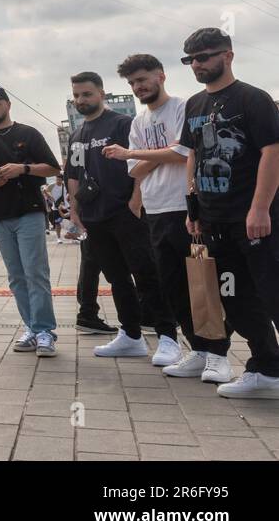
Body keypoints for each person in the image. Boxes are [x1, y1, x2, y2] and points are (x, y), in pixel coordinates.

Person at [102, 53, 232, 383]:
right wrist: (159, 155)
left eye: (142, 79)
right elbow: (138, 170)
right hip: (156, 210)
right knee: (173, 287)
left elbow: (184, 152)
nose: (138, 87)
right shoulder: (138, 122)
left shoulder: (184, 107)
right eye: (132, 83)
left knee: (202, 283)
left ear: (161, 76)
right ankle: (197, 349)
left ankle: (218, 354)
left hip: (187, 210)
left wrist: (135, 153)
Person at [178, 28, 279, 399]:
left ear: (228, 55)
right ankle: (267, 367)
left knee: (272, 293)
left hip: (252, 218)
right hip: (214, 218)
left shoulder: (253, 99)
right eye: (190, 59)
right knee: (235, 298)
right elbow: (192, 155)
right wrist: (194, 208)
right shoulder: (194, 105)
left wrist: (260, 208)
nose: (197, 65)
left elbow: (273, 151)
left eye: (204, 56)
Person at [65, 72, 179, 365]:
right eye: (77, 96)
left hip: (125, 213)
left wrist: (135, 199)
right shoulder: (77, 135)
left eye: (87, 94)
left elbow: (143, 159)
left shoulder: (121, 123)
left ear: (101, 93)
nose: (81, 100)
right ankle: (131, 336)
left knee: (146, 274)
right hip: (95, 217)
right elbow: (74, 175)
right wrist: (75, 210)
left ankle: (168, 337)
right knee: (116, 278)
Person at [0, 86, 61, 357]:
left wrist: (23, 169)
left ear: (8, 105)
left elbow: (54, 168)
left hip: (29, 211)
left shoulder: (28, 134)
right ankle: (31, 327)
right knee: (16, 277)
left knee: (35, 272)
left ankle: (44, 330)